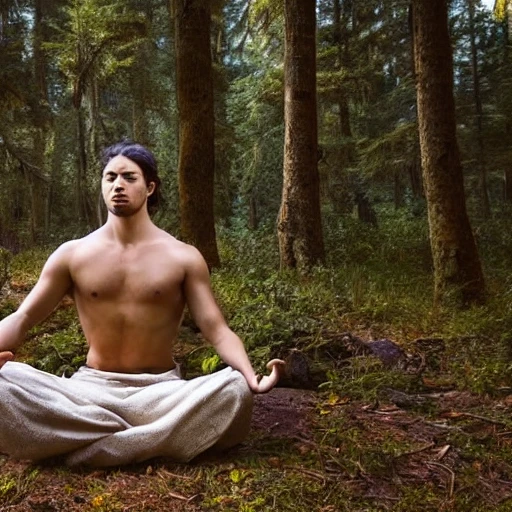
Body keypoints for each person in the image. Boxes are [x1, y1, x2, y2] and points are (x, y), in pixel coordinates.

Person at [0, 141, 284, 467]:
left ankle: (87, 445)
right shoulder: (72, 254)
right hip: (88, 392)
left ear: (149, 187)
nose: (118, 185)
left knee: (234, 392)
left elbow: (216, 329)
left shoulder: (183, 256)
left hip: (160, 394)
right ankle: (143, 441)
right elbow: (23, 318)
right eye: (110, 178)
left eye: (129, 177)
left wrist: (249, 375)